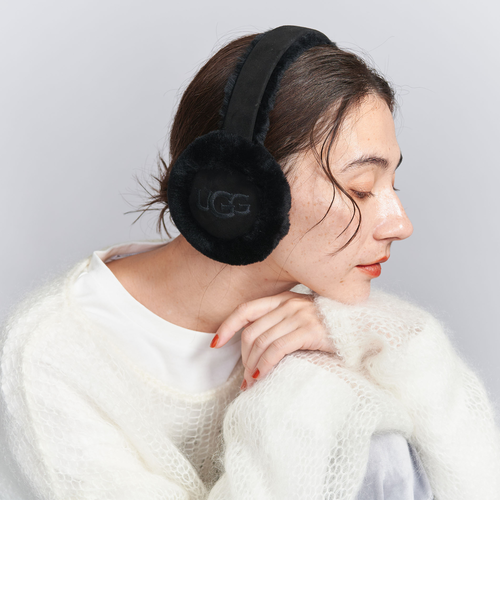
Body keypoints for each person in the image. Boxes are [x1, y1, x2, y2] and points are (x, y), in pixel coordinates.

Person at [1, 27, 498, 500]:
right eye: (361, 188)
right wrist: (300, 402)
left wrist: (383, 333)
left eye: (392, 185)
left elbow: (477, 478)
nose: (400, 224)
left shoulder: (325, 321)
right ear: (242, 191)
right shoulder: (53, 357)